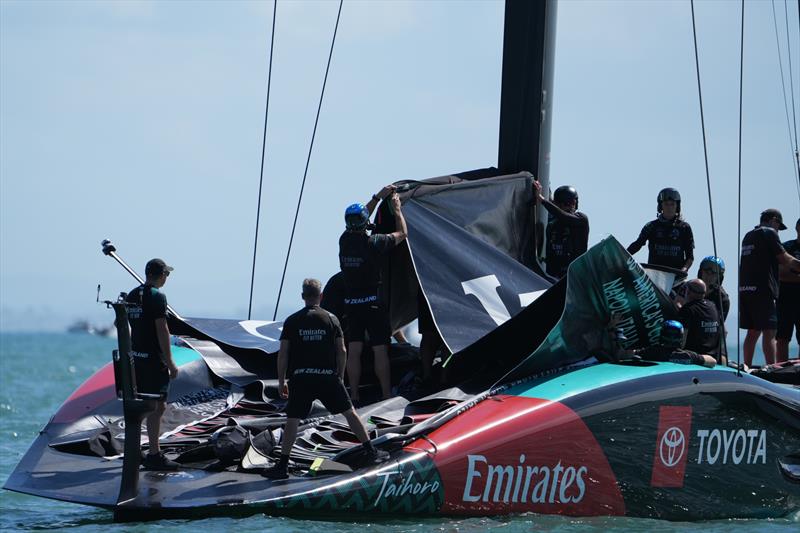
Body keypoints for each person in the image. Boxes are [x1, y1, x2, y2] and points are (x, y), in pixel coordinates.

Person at [262, 279, 388, 480]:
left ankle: (282, 465)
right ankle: (370, 451)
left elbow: (283, 354)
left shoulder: (292, 321)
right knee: (350, 413)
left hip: (301, 377)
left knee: (293, 419)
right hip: (326, 376)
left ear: (303, 296)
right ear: (321, 296)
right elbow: (342, 350)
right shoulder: (331, 319)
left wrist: (281, 381)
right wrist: (339, 375)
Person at [339, 185, 408, 402]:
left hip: (352, 303)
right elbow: (402, 234)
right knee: (380, 350)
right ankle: (387, 394)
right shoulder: (374, 242)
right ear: (363, 222)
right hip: (373, 304)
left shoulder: (344, 240)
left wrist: (377, 197)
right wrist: (397, 209)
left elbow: (361, 216)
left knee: (355, 349)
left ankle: (355, 395)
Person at [125, 258, 180, 470]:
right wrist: (170, 361)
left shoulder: (131, 295)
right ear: (162, 275)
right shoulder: (158, 297)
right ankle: (154, 454)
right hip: (153, 361)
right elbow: (162, 329)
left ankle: (136, 449)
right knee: (158, 407)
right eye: (167, 274)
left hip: (136, 358)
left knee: (143, 406)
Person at [740, 209, 800, 366]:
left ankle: (746, 366)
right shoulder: (769, 233)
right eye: (778, 227)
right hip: (763, 290)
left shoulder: (749, 235)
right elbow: (785, 259)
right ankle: (772, 369)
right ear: (774, 220)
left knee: (753, 332)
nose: (778, 232)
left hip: (746, 289)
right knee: (770, 331)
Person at [627, 188, 694, 271]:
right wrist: (622, 256)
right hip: (653, 276)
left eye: (672, 204)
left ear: (677, 206)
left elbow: (690, 257)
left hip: (676, 277)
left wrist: (684, 270)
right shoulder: (651, 226)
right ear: (660, 206)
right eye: (666, 204)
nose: (669, 207)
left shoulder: (685, 228)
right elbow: (637, 245)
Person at [533, 180, 589, 278]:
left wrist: (542, 199)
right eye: (562, 205)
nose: (569, 207)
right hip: (552, 278)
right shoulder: (552, 223)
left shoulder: (581, 220)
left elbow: (564, 216)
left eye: (570, 204)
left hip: (574, 277)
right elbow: (554, 209)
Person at [637, 320, 716, 367]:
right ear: (680, 338)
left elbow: (630, 354)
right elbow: (713, 361)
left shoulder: (649, 352)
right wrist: (697, 358)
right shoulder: (688, 356)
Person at [677, 278, 722, 358]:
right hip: (713, 358)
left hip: (696, 358)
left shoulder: (688, 310)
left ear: (689, 292)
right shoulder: (713, 306)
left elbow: (682, 342)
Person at [777, 217, 800, 362]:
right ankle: (781, 367)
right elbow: (780, 273)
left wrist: (792, 271)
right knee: (782, 337)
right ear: (797, 228)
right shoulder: (786, 247)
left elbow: (787, 271)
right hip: (784, 298)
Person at [697, 256, 729, 321]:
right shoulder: (689, 287)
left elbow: (718, 323)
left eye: (713, 274)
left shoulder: (722, 299)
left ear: (719, 277)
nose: (709, 275)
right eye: (706, 271)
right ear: (700, 273)